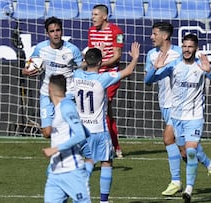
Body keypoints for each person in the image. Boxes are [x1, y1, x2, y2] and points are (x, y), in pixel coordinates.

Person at [145, 34, 211, 202]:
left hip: (195, 117)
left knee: (190, 152)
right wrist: (155, 68)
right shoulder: (173, 66)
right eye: (184, 46)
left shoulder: (200, 66)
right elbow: (148, 81)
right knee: (183, 151)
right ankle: (210, 165)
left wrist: (210, 71)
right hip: (176, 118)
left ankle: (188, 189)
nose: (187, 50)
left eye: (190, 47)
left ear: (195, 48)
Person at [73, 42, 140, 203]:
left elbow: (83, 65)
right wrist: (135, 58)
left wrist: (93, 58)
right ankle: (103, 201)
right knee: (106, 162)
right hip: (98, 130)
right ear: (100, 62)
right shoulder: (102, 79)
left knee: (85, 163)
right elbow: (128, 71)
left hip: (80, 131)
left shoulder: (77, 75)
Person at [22, 16, 83, 138]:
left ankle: (72, 152)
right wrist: (25, 72)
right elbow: (28, 66)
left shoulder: (72, 50)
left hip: (67, 95)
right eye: (52, 31)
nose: (55, 34)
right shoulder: (40, 48)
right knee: (47, 133)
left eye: (58, 30)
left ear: (62, 31)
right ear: (47, 33)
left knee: (70, 128)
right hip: (46, 94)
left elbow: (82, 67)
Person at [42, 74, 92, 203]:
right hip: (55, 172)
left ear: (49, 89)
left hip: (72, 171)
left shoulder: (67, 106)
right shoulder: (58, 108)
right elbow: (85, 132)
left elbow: (80, 134)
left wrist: (55, 149)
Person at [87, 4, 124, 158]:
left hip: (110, 76)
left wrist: (100, 64)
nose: (92, 17)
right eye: (92, 14)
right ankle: (115, 146)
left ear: (105, 16)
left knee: (102, 110)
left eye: (96, 14)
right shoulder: (91, 31)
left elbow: (117, 56)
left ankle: (108, 147)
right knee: (105, 113)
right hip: (95, 75)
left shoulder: (117, 31)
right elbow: (91, 53)